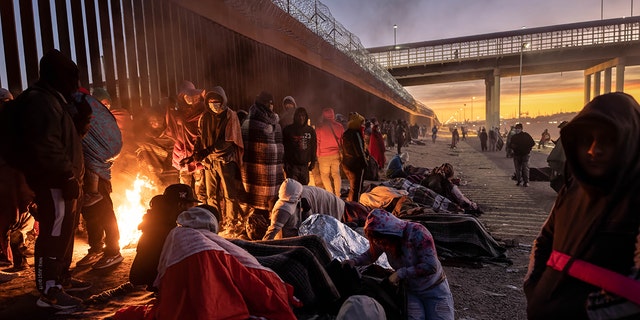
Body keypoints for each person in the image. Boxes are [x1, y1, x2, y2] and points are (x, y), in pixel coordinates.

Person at [524, 92, 640, 319]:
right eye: (587, 139)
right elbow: (544, 239)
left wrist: (579, 312)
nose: (593, 150)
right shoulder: (572, 189)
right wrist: (533, 288)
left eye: (608, 140)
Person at [12, 49, 90, 309]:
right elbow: (45, 144)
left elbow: (66, 140)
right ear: (59, 76)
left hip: (64, 180)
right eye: (71, 77)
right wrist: (66, 175)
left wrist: (81, 120)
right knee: (54, 234)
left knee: (64, 231)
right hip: (54, 182)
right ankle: (49, 291)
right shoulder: (40, 101)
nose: (74, 84)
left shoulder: (54, 101)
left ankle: (61, 278)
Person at [343, 209, 455, 320]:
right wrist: (354, 261)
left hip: (434, 288)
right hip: (411, 291)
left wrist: (400, 273)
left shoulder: (418, 233)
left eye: (380, 240)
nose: (380, 243)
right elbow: (371, 255)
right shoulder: (383, 240)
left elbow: (430, 266)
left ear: (389, 232)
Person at [74, 89, 125, 270]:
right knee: (89, 212)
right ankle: (96, 247)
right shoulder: (77, 107)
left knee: (104, 210)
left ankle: (113, 251)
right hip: (83, 169)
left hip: (97, 171)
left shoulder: (84, 108)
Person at [190, 87, 246, 236]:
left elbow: (228, 139)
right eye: (211, 101)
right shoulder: (205, 117)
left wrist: (207, 151)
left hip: (225, 159)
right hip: (209, 162)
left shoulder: (230, 116)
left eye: (217, 101)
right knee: (211, 195)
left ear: (223, 100)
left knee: (229, 193)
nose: (214, 104)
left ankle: (232, 222)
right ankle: (216, 221)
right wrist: (197, 152)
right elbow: (200, 136)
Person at [129, 184, 200, 291]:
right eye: (190, 204)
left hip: (144, 278)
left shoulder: (159, 221)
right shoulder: (166, 230)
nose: (192, 208)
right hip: (154, 281)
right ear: (180, 205)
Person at [241, 91, 285, 216]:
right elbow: (249, 145)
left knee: (272, 198)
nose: (270, 105)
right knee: (257, 201)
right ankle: (257, 220)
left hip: (273, 168)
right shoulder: (250, 121)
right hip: (257, 167)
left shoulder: (274, 121)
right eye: (267, 103)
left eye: (271, 103)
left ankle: (267, 217)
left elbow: (277, 142)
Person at [165, 80, 206, 201]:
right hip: (182, 150)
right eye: (187, 96)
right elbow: (171, 127)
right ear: (182, 98)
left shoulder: (203, 111)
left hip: (197, 148)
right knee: (184, 185)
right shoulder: (178, 113)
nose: (190, 99)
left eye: (193, 96)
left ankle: (201, 209)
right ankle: (185, 209)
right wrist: (169, 107)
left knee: (200, 184)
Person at [282, 107, 317, 185]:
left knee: (304, 189)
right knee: (293, 189)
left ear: (306, 117)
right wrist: (285, 163)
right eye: (299, 116)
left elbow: (313, 146)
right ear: (295, 117)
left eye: (303, 116)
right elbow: (283, 147)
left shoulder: (310, 131)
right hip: (292, 166)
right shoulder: (288, 130)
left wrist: (313, 161)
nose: (301, 118)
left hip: (304, 166)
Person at [315, 107, 344, 197]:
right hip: (335, 154)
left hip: (323, 156)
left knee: (325, 175)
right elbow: (342, 141)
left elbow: (317, 143)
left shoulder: (319, 128)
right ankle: (338, 195)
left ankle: (330, 195)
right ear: (333, 115)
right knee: (336, 174)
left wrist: (317, 155)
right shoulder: (339, 126)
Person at [341, 112, 368, 202]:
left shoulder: (346, 133)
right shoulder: (355, 134)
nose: (363, 125)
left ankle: (351, 203)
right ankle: (354, 207)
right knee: (356, 189)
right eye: (361, 123)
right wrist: (365, 163)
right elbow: (359, 151)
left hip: (347, 163)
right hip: (355, 165)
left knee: (353, 188)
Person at [547, 121, 569, 192]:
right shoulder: (563, 136)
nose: (560, 130)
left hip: (565, 161)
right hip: (563, 160)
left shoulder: (568, 136)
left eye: (561, 128)